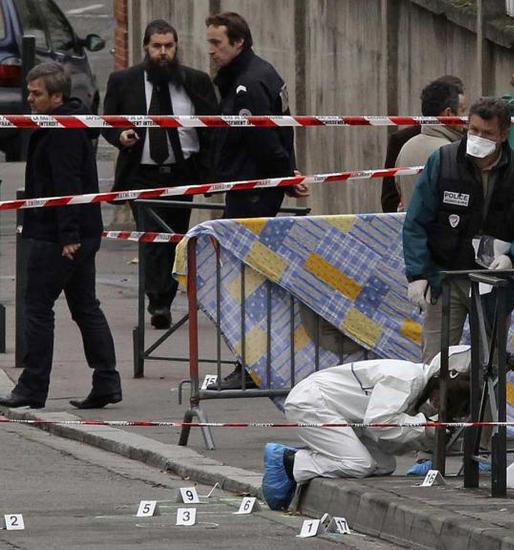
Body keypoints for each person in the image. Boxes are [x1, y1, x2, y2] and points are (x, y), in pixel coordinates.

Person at [0, 63, 121, 410]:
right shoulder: (66, 122)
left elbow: (66, 184)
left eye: (36, 93)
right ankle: (107, 380)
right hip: (79, 230)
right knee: (85, 306)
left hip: (57, 234)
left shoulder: (62, 129)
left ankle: (32, 386)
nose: (29, 98)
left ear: (57, 96)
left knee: (38, 307)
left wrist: (68, 235)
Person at [402, 97, 514, 364]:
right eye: (474, 130)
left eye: (488, 133)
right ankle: (436, 407)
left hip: (494, 282)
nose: (478, 137)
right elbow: (416, 221)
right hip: (444, 279)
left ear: (504, 134)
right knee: (435, 365)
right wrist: (418, 274)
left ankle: (487, 408)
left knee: (491, 366)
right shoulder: (443, 161)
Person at [206, 11, 308, 390]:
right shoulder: (261, 72)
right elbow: (285, 129)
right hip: (257, 188)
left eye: (217, 43)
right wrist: (288, 176)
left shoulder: (248, 84)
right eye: (211, 43)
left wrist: (284, 177)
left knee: (244, 284)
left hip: (251, 193)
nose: (212, 51)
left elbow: (265, 140)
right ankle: (252, 364)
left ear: (238, 43)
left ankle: (248, 367)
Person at [102, 19, 218, 329]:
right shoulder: (123, 81)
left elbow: (213, 128)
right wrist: (121, 136)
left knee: (176, 238)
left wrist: (210, 174)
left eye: (169, 46)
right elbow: (107, 121)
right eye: (157, 47)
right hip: (142, 174)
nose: (163, 53)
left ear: (176, 47)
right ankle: (158, 303)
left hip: (182, 173)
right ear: (146, 48)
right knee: (153, 238)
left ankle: (165, 294)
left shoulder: (196, 81)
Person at [261, 347, 471, 510]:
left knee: (383, 464)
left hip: (338, 412)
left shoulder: (418, 386)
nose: (437, 403)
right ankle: (289, 461)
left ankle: (309, 456)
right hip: (313, 403)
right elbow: (380, 425)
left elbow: (389, 443)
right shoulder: (405, 379)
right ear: (438, 381)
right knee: (358, 464)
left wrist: (426, 433)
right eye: (443, 398)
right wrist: (424, 429)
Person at [394, 75, 467, 208]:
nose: (466, 118)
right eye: (463, 110)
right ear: (449, 114)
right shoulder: (451, 153)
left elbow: (399, 192)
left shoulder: (406, 147)